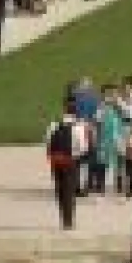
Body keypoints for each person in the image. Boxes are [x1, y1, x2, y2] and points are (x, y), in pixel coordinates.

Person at [43, 98, 89, 229]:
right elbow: (83, 147)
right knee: (69, 190)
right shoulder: (79, 127)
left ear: (64, 110)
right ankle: (68, 220)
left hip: (56, 161)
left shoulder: (54, 125)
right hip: (70, 161)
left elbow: (47, 142)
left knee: (60, 189)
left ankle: (63, 216)